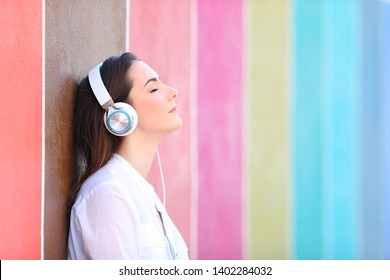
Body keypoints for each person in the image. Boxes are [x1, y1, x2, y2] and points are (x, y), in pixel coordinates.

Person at [67, 52, 188, 260]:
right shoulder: (108, 192)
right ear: (120, 116)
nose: (173, 92)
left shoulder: (141, 192)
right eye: (154, 88)